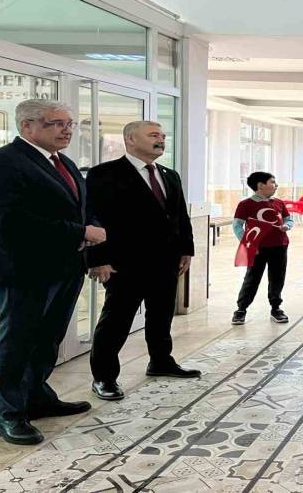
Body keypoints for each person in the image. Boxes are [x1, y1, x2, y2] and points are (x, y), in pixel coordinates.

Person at [0, 99, 105, 445]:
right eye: (56, 123)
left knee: (48, 339)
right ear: (27, 126)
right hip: (25, 269)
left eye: (70, 123)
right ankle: (9, 413)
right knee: (17, 341)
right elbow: (13, 220)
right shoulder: (3, 162)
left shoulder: (63, 162)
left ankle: (36, 397)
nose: (67, 130)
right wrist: (80, 232)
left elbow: (82, 208)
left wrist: (90, 227)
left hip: (66, 267)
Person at [87, 121, 198, 402]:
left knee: (161, 315)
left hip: (166, 261)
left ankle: (161, 361)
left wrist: (186, 250)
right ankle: (104, 377)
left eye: (162, 135)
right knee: (116, 321)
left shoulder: (169, 175)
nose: (161, 140)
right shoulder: (104, 174)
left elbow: (180, 216)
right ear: (130, 139)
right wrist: (98, 260)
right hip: (124, 263)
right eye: (153, 135)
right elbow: (93, 218)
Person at [231, 172, 292, 325]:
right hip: (257, 248)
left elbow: (288, 219)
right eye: (272, 182)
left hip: (280, 246)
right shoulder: (246, 204)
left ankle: (276, 308)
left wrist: (287, 226)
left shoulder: (278, 202)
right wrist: (248, 244)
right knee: (252, 278)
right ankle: (241, 309)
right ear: (260, 185)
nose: (276, 185)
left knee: (277, 277)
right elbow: (237, 225)